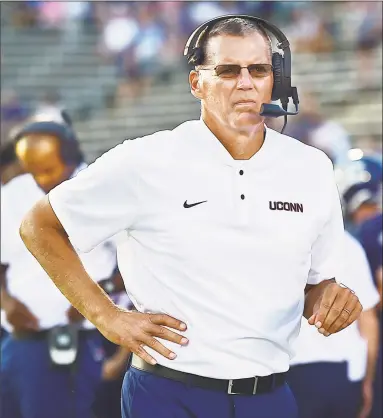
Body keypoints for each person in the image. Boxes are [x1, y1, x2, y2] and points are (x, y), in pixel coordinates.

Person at [19, 16, 363, 418]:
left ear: (276, 80)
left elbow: (315, 288)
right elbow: (39, 226)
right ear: (197, 83)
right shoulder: (146, 160)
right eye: (228, 70)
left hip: (271, 394)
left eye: (259, 70)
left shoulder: (312, 168)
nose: (246, 82)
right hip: (169, 392)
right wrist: (106, 317)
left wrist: (334, 299)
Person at [0, 118, 122, 418]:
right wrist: (6, 302)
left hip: (89, 337)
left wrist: (92, 299)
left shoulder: (102, 188)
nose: (42, 180)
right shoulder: (13, 194)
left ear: (70, 157)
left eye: (50, 169)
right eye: (34, 170)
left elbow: (135, 266)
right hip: (23, 339)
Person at [287, 230, 380, 418]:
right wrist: (368, 379)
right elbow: (368, 319)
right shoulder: (350, 246)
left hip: (295, 370)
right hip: (343, 374)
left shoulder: (282, 240)